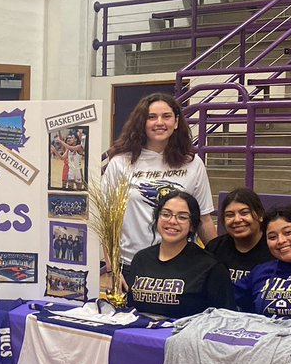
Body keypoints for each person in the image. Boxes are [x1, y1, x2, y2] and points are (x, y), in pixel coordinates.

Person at [102, 92, 217, 267]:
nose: (160, 123)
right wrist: (112, 269)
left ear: (176, 122)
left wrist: (221, 259)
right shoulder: (120, 163)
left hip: (182, 265)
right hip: (130, 263)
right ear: (142, 123)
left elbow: (204, 219)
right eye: (152, 117)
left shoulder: (193, 164)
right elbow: (106, 222)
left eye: (167, 116)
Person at [124, 191, 234, 319]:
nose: (172, 221)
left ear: (192, 225)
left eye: (182, 217)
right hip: (139, 336)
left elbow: (225, 318)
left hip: (186, 337)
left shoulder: (211, 267)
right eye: (166, 214)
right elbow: (131, 311)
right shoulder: (141, 259)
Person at [205, 187, 274, 284]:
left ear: (260, 215)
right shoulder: (214, 248)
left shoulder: (274, 248)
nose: (237, 220)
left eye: (244, 213)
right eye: (230, 215)